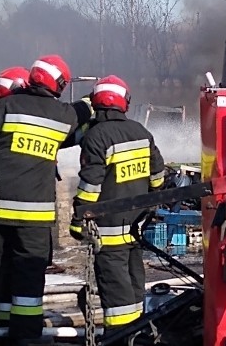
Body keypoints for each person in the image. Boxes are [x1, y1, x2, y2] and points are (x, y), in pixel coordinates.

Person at [0, 54, 91, 345]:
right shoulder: (63, 115)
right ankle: (24, 335)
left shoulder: (5, 106)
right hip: (34, 217)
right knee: (27, 274)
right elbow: (85, 112)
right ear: (60, 84)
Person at [69, 75, 165, 334]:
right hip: (136, 227)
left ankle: (120, 337)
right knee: (135, 283)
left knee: (116, 292)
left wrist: (78, 222)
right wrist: (150, 206)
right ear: (124, 102)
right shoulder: (141, 132)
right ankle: (139, 332)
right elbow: (158, 176)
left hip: (108, 232)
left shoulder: (96, 137)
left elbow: (90, 186)